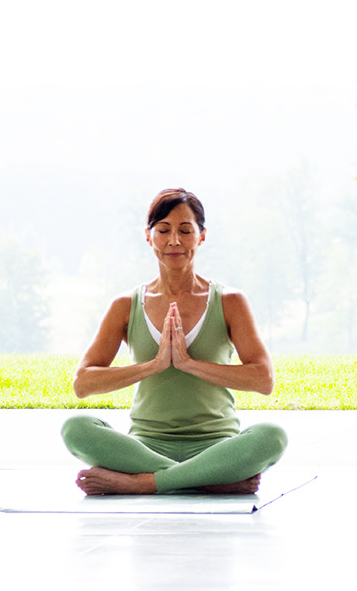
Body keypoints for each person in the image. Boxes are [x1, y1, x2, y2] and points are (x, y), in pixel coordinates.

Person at [61, 189, 287, 495]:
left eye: (185, 230)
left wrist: (189, 364)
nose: (174, 241)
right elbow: (83, 384)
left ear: (202, 236)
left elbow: (264, 380)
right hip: (145, 446)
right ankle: (206, 480)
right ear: (148, 236)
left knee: (273, 436)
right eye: (163, 230)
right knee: (75, 428)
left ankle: (143, 483)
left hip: (217, 445)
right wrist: (154, 365)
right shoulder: (126, 305)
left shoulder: (230, 301)